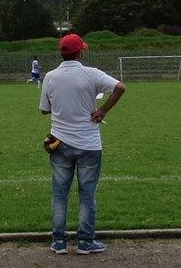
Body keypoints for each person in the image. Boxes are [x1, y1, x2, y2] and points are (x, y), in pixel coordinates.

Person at [39, 34, 125, 255]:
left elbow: (44, 109)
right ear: (80, 52)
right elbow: (120, 87)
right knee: (87, 195)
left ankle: (58, 242)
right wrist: (102, 110)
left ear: (61, 52)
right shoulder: (91, 74)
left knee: (60, 194)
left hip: (59, 142)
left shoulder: (50, 76)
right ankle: (86, 242)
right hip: (89, 143)